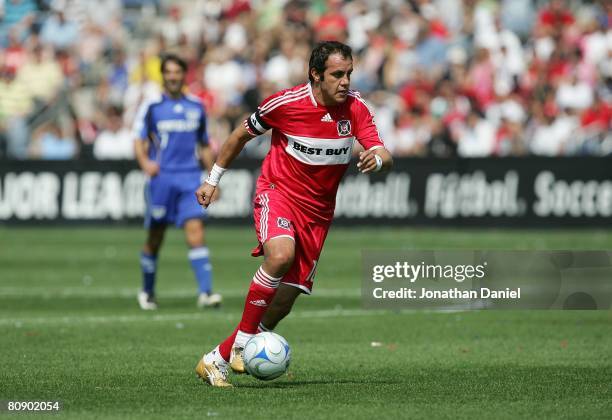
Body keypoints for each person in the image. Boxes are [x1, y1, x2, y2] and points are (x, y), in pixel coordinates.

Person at [194, 41, 393, 387]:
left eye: (348, 74)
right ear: (316, 75)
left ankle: (216, 359)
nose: (345, 81)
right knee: (281, 255)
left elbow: (382, 150)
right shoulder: (286, 103)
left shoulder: (356, 108)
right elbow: (240, 135)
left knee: (283, 303)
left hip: (318, 214)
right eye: (337, 74)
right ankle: (242, 346)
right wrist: (212, 180)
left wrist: (377, 159)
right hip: (279, 193)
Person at [133, 53, 221, 310]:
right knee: (155, 237)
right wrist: (144, 163)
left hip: (189, 179)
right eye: (168, 72)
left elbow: (204, 144)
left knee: (196, 232)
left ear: (184, 75)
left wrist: (212, 178)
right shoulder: (151, 106)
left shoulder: (196, 106)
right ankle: (147, 291)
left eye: (177, 72)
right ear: (163, 75)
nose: (173, 76)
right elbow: (138, 138)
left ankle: (206, 293)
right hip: (162, 180)